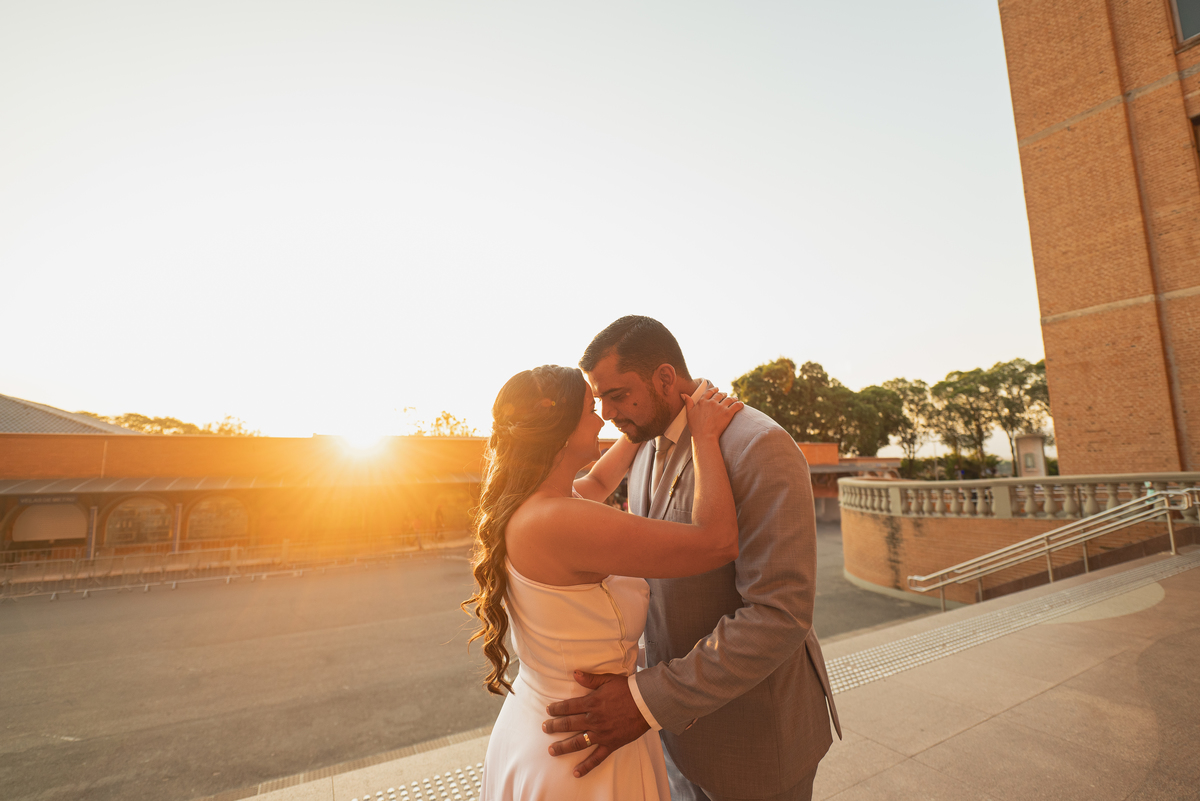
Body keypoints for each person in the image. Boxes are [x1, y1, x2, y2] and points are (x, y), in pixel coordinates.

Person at [542, 316, 841, 801]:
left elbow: (779, 615)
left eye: (617, 394)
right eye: (599, 400)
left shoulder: (758, 446)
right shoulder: (640, 440)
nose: (607, 413)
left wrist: (644, 700)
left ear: (664, 378)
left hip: (755, 741)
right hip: (674, 736)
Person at [463, 364, 744, 800]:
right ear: (559, 424)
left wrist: (639, 426)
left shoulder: (535, 503)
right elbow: (716, 541)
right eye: (591, 409)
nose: (603, 419)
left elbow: (597, 481)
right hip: (583, 751)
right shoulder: (561, 522)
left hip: (541, 721)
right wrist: (705, 436)